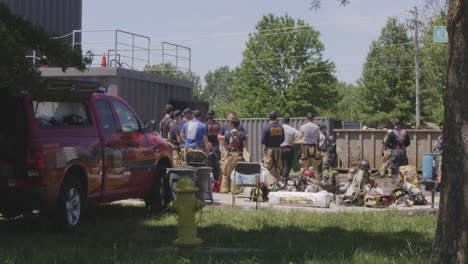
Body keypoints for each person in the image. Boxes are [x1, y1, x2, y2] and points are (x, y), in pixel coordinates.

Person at [221, 118, 247, 193]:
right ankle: (235, 189)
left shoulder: (227, 134)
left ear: (231, 124)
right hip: (238, 156)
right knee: (237, 173)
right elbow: (245, 145)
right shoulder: (242, 134)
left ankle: (224, 188)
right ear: (238, 125)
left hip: (229, 155)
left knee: (226, 173)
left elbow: (225, 145)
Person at [261, 111, 285, 182]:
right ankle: (277, 183)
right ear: (276, 117)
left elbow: (263, 141)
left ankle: (270, 183)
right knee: (277, 167)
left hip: (269, 149)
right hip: (278, 149)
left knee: (268, 167)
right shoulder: (281, 127)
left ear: (269, 118)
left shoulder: (267, 127)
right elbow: (283, 139)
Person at [386, 118, 411, 184]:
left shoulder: (391, 133)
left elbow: (387, 144)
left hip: (395, 151)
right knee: (404, 168)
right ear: (399, 124)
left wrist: (393, 148)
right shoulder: (405, 133)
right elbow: (408, 143)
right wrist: (403, 147)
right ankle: (404, 183)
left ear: (393, 124)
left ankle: (396, 184)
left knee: (394, 169)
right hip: (403, 152)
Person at [299, 113, 321, 179]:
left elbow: (301, 136)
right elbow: (317, 137)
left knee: (304, 164)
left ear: (307, 119)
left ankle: (302, 179)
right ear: (313, 119)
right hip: (314, 147)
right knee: (315, 165)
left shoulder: (302, 127)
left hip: (305, 147)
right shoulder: (317, 127)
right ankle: (316, 180)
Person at [280, 116, 302, 181]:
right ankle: (284, 179)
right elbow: (300, 135)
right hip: (289, 148)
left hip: (280, 148)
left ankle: (280, 179)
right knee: (287, 165)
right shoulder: (292, 129)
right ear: (289, 121)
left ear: (282, 121)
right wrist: (294, 141)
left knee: (281, 165)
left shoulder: (279, 128)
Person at [205, 109, 221, 181]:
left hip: (209, 145)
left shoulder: (205, 124)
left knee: (208, 164)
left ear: (207, 115)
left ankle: (209, 181)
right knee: (216, 164)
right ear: (213, 115)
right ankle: (216, 181)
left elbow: (204, 136)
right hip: (216, 146)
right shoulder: (218, 125)